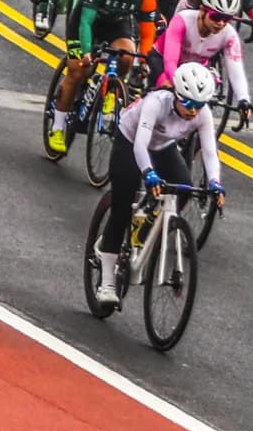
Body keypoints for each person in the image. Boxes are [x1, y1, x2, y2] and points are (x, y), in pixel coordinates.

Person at [92, 62, 224, 307]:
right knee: (122, 205)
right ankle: (107, 279)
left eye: (199, 106)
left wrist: (215, 182)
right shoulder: (156, 103)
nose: (194, 112)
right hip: (130, 140)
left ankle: (145, 223)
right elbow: (140, 145)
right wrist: (149, 173)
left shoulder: (202, 114)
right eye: (188, 104)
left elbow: (209, 152)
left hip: (163, 146)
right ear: (177, 95)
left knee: (183, 187)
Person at [50, 0, 158, 155]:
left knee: (128, 54)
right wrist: (87, 52)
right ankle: (57, 127)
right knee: (77, 70)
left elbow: (146, 36)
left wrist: (144, 61)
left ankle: (112, 89)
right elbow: (85, 22)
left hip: (117, 26)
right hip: (87, 24)